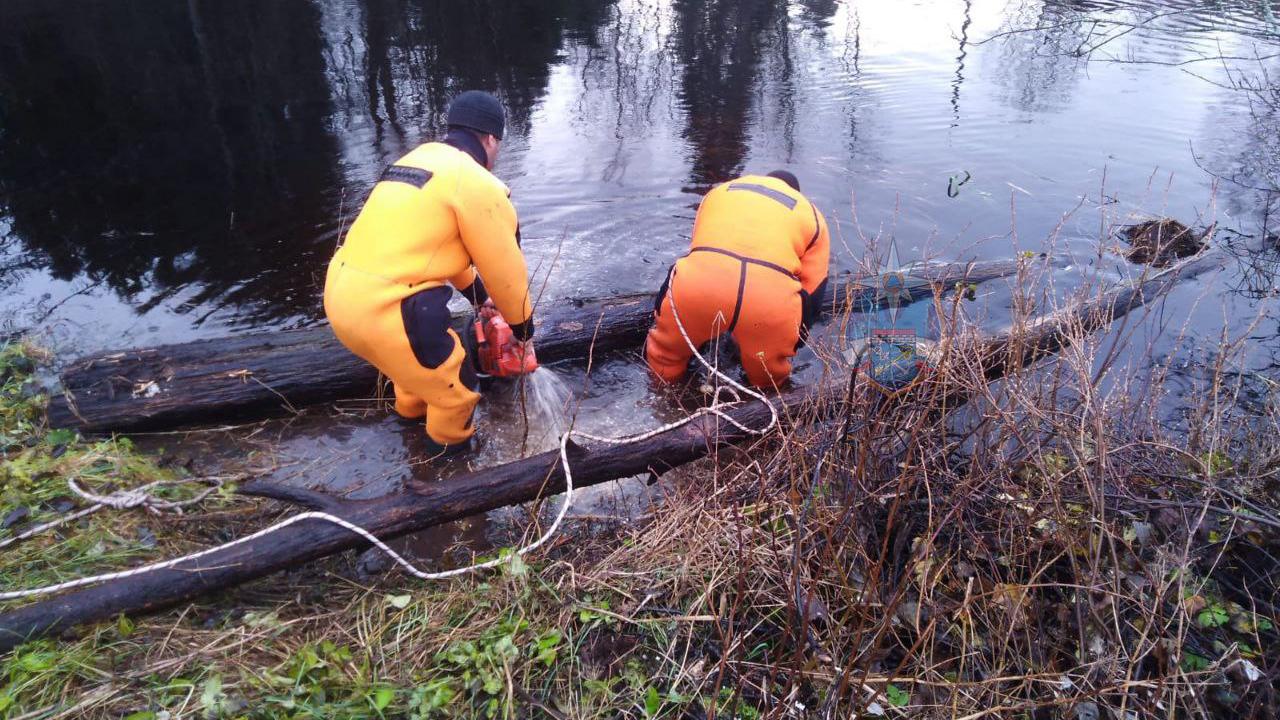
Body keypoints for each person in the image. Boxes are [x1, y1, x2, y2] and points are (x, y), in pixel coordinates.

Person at [324, 90, 534, 456]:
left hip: (342, 296)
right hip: (391, 311)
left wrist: (479, 299)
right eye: (498, 144)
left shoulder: (417, 162)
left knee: (416, 374)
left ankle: (409, 430)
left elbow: (429, 250)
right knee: (458, 389)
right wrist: (522, 330)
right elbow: (506, 268)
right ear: (489, 138)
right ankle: (446, 474)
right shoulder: (476, 182)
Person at [644, 170, 830, 388]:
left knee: (665, 359)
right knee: (769, 384)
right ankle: (756, 410)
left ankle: (660, 402)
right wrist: (791, 341)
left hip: (696, 289)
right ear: (796, 192)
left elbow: (698, 249)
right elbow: (813, 293)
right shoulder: (813, 216)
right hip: (768, 306)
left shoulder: (718, 192)